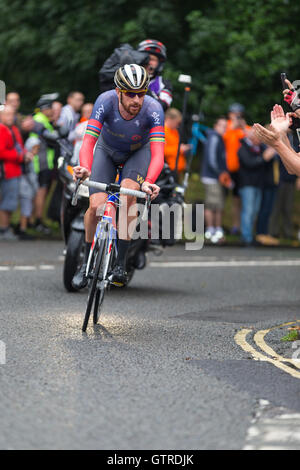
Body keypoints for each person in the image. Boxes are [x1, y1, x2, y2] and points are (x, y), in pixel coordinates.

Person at [72, 64, 165, 288]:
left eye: (141, 94)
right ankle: (86, 262)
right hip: (106, 151)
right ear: (118, 91)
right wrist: (84, 167)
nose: (136, 100)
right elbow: (88, 142)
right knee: (95, 206)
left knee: (128, 197)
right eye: (131, 94)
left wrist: (150, 181)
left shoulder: (154, 109)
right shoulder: (105, 101)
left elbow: (158, 153)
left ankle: (120, 263)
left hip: (137, 154)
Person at [0, 105, 33, 240]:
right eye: (6, 115)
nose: (10, 117)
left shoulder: (13, 129)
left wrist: (26, 154)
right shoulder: (2, 129)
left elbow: (19, 146)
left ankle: (6, 228)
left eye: (11, 114)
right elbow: (1, 152)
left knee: (11, 201)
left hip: (15, 171)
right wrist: (21, 157)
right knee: (7, 202)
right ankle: (4, 230)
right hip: (7, 171)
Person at [238, 128, 274, 245]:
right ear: (252, 138)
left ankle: (250, 235)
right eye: (258, 138)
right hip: (247, 184)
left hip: (258, 184)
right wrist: (263, 158)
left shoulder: (260, 148)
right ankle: (246, 237)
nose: (260, 140)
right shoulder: (243, 148)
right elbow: (249, 163)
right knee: (248, 211)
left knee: (255, 211)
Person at [30, 95, 57, 233]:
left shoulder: (42, 119)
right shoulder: (39, 120)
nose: (52, 110)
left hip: (44, 161)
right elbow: (51, 138)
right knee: (41, 191)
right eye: (51, 107)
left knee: (42, 191)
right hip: (41, 161)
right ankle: (38, 221)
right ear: (45, 109)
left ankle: (34, 220)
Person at [201, 116, 230, 243]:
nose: (225, 128)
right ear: (215, 126)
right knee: (213, 204)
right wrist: (220, 173)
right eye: (222, 126)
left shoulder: (218, 138)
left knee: (217, 204)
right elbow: (212, 159)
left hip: (215, 176)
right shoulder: (214, 138)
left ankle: (216, 229)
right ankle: (211, 230)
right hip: (212, 177)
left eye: (226, 126)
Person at [223, 103, 251, 235]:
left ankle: (237, 226)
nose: (236, 117)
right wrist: (233, 126)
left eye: (238, 114)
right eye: (234, 114)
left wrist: (243, 126)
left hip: (242, 170)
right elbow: (223, 137)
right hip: (227, 169)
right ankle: (221, 226)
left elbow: (252, 139)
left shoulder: (244, 128)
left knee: (238, 200)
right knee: (222, 199)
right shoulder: (226, 126)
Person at [137, 39, 173, 111]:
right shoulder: (126, 76)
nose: (149, 62)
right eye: (147, 58)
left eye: (153, 59)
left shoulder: (164, 83)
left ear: (159, 63)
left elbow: (162, 107)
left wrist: (142, 85)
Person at [18, 136, 40, 240]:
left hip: (27, 187)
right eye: (35, 148)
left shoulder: (29, 157)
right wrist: (35, 187)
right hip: (26, 187)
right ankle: (22, 228)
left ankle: (23, 226)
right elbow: (30, 175)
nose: (37, 151)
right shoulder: (28, 158)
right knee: (26, 208)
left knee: (26, 208)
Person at [164, 108, 190, 175]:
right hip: (167, 170)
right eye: (177, 123)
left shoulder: (174, 131)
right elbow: (163, 151)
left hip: (177, 171)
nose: (178, 125)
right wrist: (179, 149)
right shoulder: (162, 131)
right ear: (169, 119)